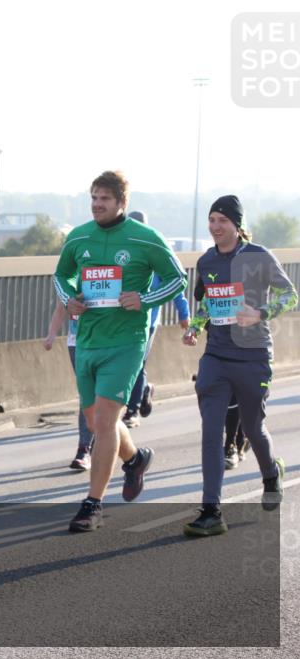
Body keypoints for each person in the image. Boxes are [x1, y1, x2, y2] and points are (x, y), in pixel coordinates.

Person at [53, 170, 187, 532]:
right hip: (88, 341)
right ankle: (136, 458)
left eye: (105, 199)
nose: (97, 204)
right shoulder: (80, 236)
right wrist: (70, 300)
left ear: (121, 203)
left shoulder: (146, 239)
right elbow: (61, 275)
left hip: (126, 344)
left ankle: (92, 504)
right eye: (94, 198)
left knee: (106, 422)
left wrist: (143, 300)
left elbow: (178, 279)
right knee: (97, 420)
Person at [182, 195, 296, 537]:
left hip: (253, 355)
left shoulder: (258, 256)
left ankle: (271, 473)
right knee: (211, 432)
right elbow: (208, 304)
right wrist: (196, 327)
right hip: (216, 357)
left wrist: (260, 313)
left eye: (222, 220)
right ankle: (211, 510)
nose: (215, 226)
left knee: (253, 426)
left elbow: (291, 295)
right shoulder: (206, 261)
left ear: (237, 225)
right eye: (212, 219)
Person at [121, 210, 191, 428]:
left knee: (137, 364)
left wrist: (184, 313)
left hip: (148, 321)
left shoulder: (154, 251)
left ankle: (131, 412)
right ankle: (144, 390)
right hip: (121, 320)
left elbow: (176, 286)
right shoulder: (123, 252)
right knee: (123, 365)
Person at [193, 275, 250, 470]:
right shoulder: (211, 262)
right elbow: (198, 294)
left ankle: (243, 436)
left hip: (245, 340)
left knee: (243, 394)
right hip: (217, 340)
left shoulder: (252, 263)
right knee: (226, 394)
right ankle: (230, 445)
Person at [44, 302, 94, 470]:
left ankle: (106, 441)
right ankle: (84, 449)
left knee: (104, 397)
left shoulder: (107, 276)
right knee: (87, 395)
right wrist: (51, 335)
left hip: (105, 343)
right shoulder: (70, 279)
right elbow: (60, 308)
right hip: (77, 344)